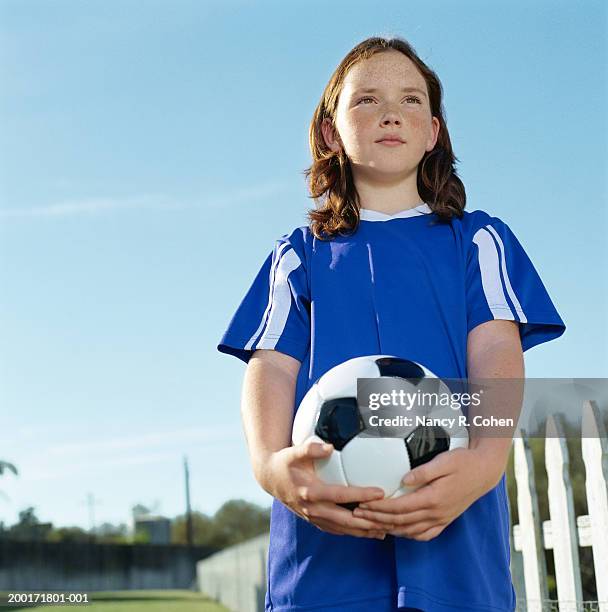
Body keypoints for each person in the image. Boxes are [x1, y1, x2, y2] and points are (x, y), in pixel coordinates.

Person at [217, 36, 566, 612]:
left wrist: (483, 463)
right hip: (322, 561)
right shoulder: (298, 255)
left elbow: (498, 360)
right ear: (331, 132)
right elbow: (270, 368)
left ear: (432, 132)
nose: (390, 113)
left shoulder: (479, 241)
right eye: (366, 100)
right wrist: (269, 467)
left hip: (454, 538)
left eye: (410, 100)